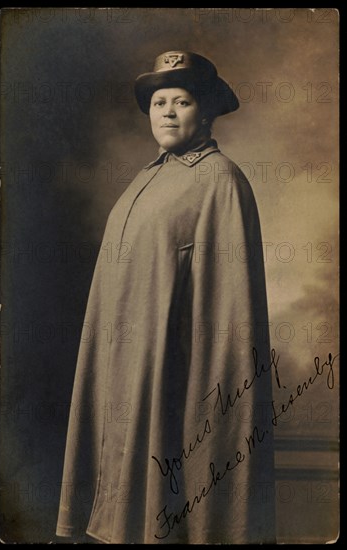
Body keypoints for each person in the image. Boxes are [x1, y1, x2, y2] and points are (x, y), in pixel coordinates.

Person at [56, 51, 276, 544]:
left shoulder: (220, 180)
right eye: (159, 102)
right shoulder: (146, 178)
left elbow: (229, 308)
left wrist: (191, 377)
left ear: (208, 111)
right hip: (120, 367)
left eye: (182, 100)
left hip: (172, 372)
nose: (168, 112)